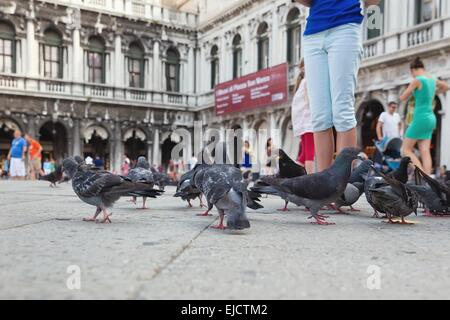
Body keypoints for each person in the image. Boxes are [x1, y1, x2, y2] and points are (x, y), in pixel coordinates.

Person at [298, 0, 380, 171]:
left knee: (342, 111)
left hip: (345, 27)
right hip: (313, 31)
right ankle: (324, 188)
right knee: (319, 117)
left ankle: (340, 185)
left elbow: (372, 2)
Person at [400, 57, 449, 174]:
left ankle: (421, 175)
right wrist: (435, 92)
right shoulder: (433, 79)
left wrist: (412, 90)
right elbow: (447, 87)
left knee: (405, 150)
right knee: (425, 151)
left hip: (420, 118)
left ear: (414, 70)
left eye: (412, 73)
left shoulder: (417, 80)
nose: (412, 76)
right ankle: (428, 180)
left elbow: (402, 97)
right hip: (431, 119)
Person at [292, 59, 315, 174]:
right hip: (309, 123)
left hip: (303, 124)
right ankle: (311, 181)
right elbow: (312, 101)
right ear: (303, 68)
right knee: (309, 155)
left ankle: (292, 176)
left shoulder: (302, 83)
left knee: (303, 156)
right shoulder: (307, 82)